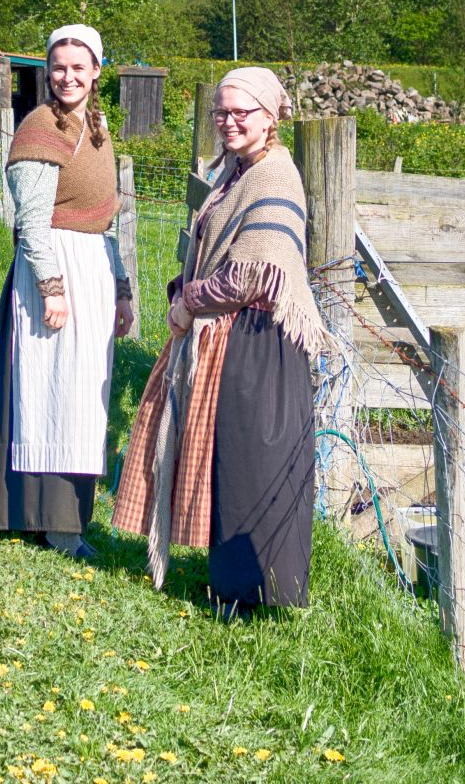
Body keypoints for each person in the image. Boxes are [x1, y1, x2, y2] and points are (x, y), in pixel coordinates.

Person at [112, 66, 326, 613]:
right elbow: (221, 251)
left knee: (251, 465)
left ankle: (260, 596)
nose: (229, 122)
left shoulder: (275, 176)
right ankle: (231, 586)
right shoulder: (238, 170)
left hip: (261, 340)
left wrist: (189, 302)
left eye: (241, 113)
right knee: (227, 461)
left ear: (270, 116)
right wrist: (185, 285)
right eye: (221, 112)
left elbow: (253, 272)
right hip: (233, 332)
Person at [0, 25, 135, 557]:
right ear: (48, 72)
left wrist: (120, 290)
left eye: (78, 66)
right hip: (55, 272)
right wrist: (52, 288)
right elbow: (34, 223)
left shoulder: (95, 125)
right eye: (58, 67)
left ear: (96, 71)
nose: (68, 76)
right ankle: (53, 522)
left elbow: (105, 219)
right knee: (53, 389)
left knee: (83, 392)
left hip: (90, 267)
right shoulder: (41, 128)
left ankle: (65, 517)